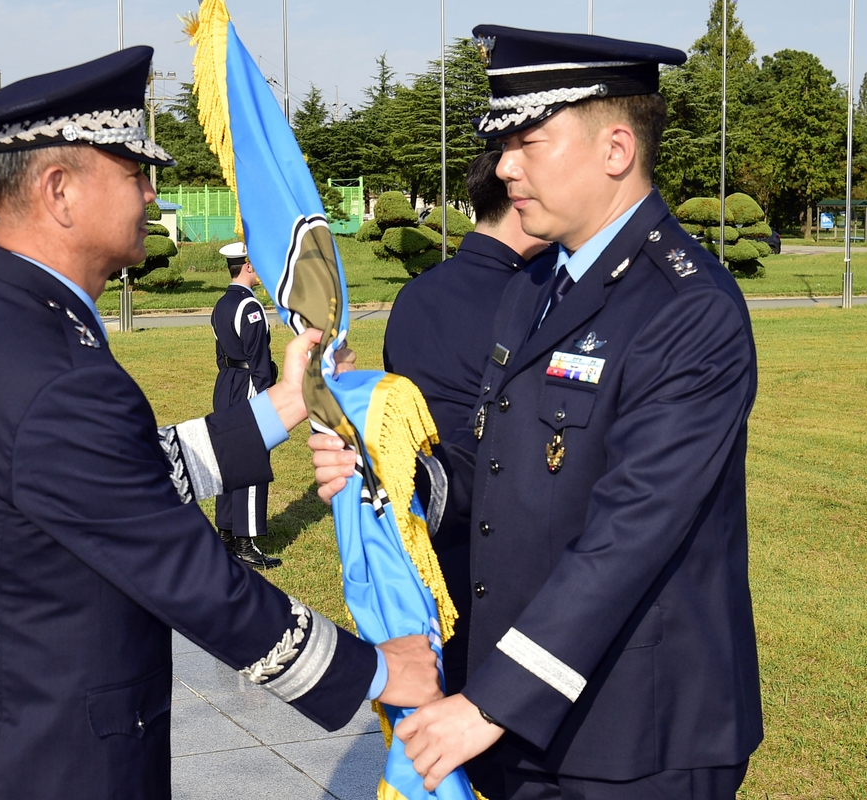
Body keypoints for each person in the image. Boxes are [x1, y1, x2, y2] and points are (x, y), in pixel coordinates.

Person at [0, 46, 440, 799]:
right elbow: (195, 582)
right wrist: (382, 668)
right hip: (53, 763)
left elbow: (123, 476)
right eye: (135, 173)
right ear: (60, 191)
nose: (151, 194)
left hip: (3, 740)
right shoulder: (55, 372)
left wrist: (284, 404)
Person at [314, 25, 762, 800]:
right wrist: (390, 474)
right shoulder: (534, 285)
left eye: (527, 141)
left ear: (615, 150)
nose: (505, 167)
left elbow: (631, 534)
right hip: (523, 716)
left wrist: (489, 702)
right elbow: (502, 467)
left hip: (634, 735)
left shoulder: (689, 310)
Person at [382, 149, 551, 697]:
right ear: (519, 201)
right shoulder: (533, 303)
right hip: (501, 547)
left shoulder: (413, 295)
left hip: (421, 540)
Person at [211, 241, 281, 568]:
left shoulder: (221, 304)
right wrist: (267, 396)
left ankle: (225, 532)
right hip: (249, 385)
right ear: (248, 266)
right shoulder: (250, 307)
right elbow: (259, 359)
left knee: (227, 457)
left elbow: (220, 353)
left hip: (225, 383)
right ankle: (245, 540)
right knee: (252, 460)